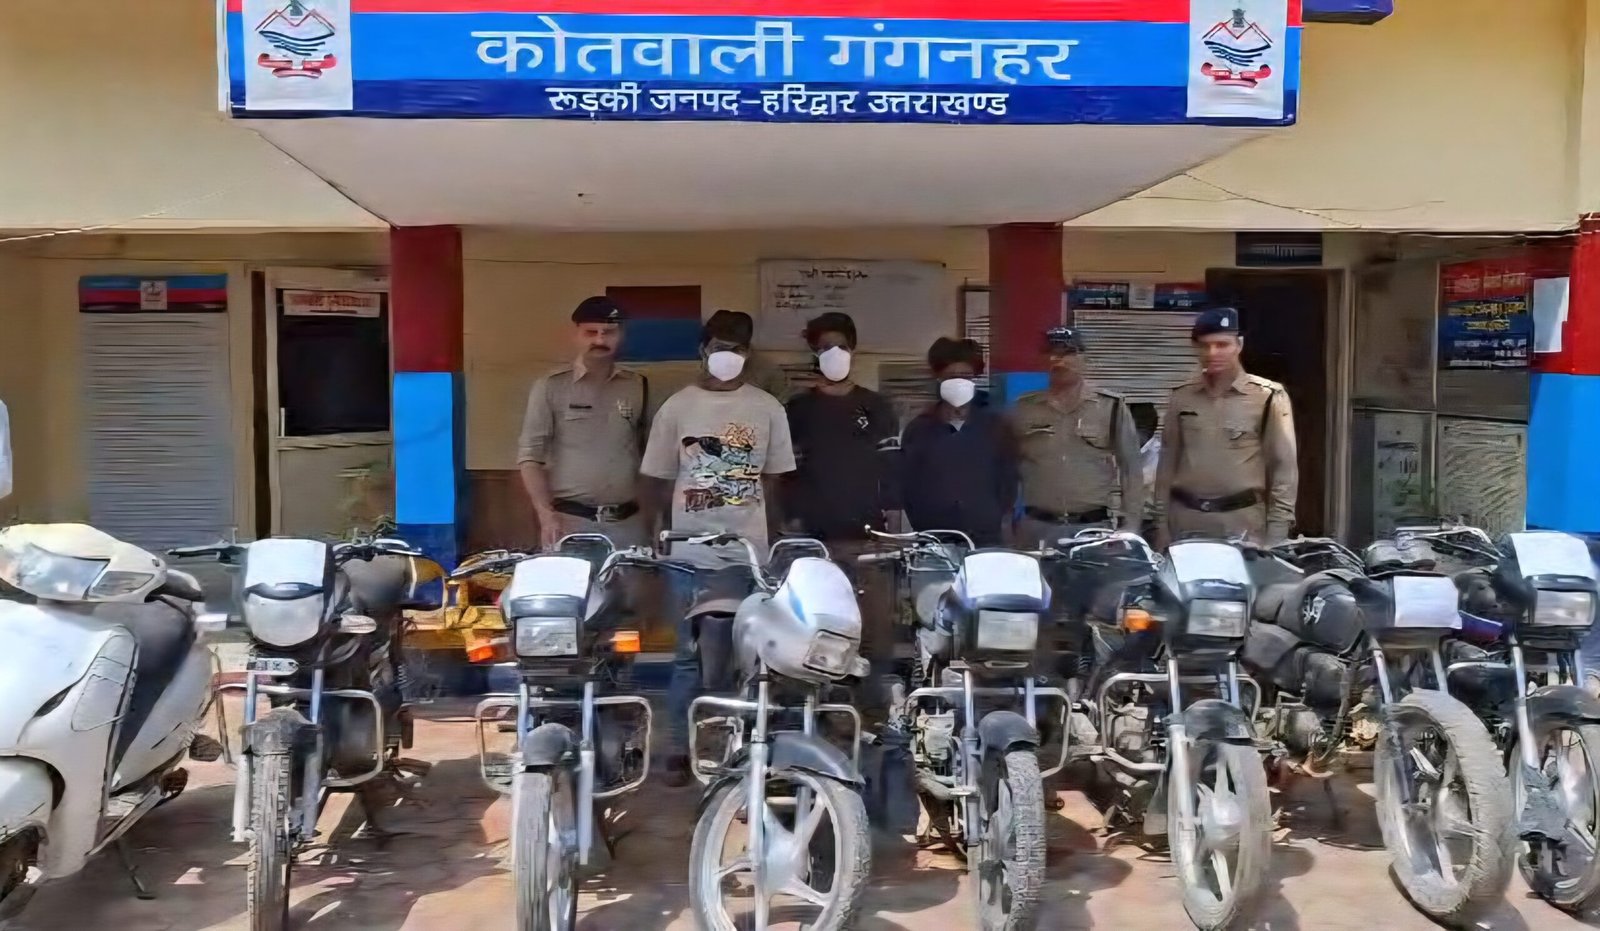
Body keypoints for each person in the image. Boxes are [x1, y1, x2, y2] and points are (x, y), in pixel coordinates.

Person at [641, 312, 796, 784]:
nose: (728, 356)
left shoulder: (767, 408)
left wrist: (775, 538)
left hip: (748, 555)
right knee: (687, 656)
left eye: (738, 348)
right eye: (720, 346)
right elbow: (656, 477)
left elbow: (775, 478)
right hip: (687, 556)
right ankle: (677, 748)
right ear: (703, 350)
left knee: (750, 656)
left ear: (749, 353)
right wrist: (656, 531)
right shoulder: (678, 407)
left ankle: (743, 748)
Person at [784, 312, 901, 708]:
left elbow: (891, 471)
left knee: (875, 635)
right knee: (816, 634)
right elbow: (786, 475)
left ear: (853, 350)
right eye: (824, 348)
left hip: (870, 541)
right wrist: (791, 527)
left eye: (841, 346)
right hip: (814, 543)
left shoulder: (876, 406)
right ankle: (819, 714)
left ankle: (877, 715)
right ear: (813, 354)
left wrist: (892, 531)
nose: (834, 354)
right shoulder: (798, 410)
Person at [1154, 307, 1298, 545]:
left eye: (1222, 345)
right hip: (1186, 521)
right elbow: (1167, 463)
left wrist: (1276, 534)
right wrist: (1160, 525)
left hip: (1242, 524)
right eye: (1205, 346)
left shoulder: (1267, 397)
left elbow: (1284, 470)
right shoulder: (1182, 397)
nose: (1213, 353)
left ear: (1238, 345)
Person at [516, 296, 650, 550]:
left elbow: (650, 457)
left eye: (608, 332)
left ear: (621, 335)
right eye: (591, 332)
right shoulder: (552, 386)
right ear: (576, 334)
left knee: (629, 579)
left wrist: (653, 517)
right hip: (569, 522)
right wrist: (546, 515)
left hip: (627, 524)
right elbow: (530, 456)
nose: (600, 340)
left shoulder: (638, 386)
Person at [1012, 326, 1142, 548]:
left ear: (1083, 358)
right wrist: (1007, 521)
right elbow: (1007, 468)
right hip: (1036, 528)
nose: (1058, 361)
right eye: (1052, 354)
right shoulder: (1024, 408)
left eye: (1067, 354)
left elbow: (1131, 469)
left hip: (1093, 528)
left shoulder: (1110, 406)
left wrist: (1130, 525)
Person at [899, 337, 1018, 547]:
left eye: (965, 377)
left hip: (985, 539)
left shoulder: (996, 427)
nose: (959, 383)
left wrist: (1001, 522)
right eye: (951, 377)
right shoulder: (918, 429)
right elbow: (907, 485)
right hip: (934, 539)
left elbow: (1008, 480)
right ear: (938, 378)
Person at [705, 310, 792, 402]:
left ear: (746, 349)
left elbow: (780, 404)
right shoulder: (703, 366)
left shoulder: (767, 372)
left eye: (738, 349)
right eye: (719, 348)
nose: (727, 356)